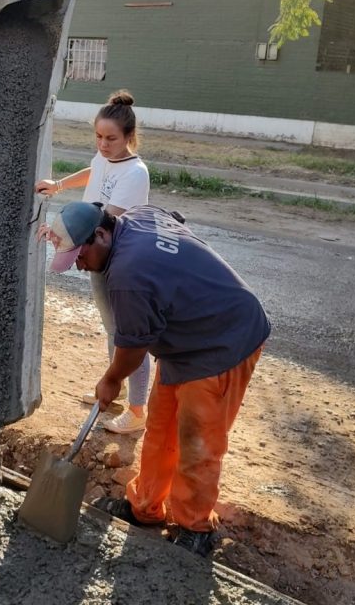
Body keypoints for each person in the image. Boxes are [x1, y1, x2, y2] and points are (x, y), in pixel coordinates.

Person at [41, 201, 270, 556]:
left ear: (101, 234)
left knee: (198, 438)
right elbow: (174, 220)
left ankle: (194, 526)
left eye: (81, 257)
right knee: (161, 428)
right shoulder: (139, 216)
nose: (81, 267)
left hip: (223, 340)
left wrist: (112, 379)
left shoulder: (128, 278)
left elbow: (133, 350)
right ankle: (145, 507)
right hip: (184, 338)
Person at [36, 90, 151, 434]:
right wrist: (58, 185)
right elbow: (94, 171)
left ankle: (137, 410)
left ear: (129, 137)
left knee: (129, 335)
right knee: (112, 329)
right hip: (100, 260)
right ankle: (114, 387)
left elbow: (101, 220)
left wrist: (62, 233)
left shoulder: (136, 173)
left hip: (122, 263)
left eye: (111, 139)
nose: (103, 145)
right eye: (98, 137)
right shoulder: (105, 157)